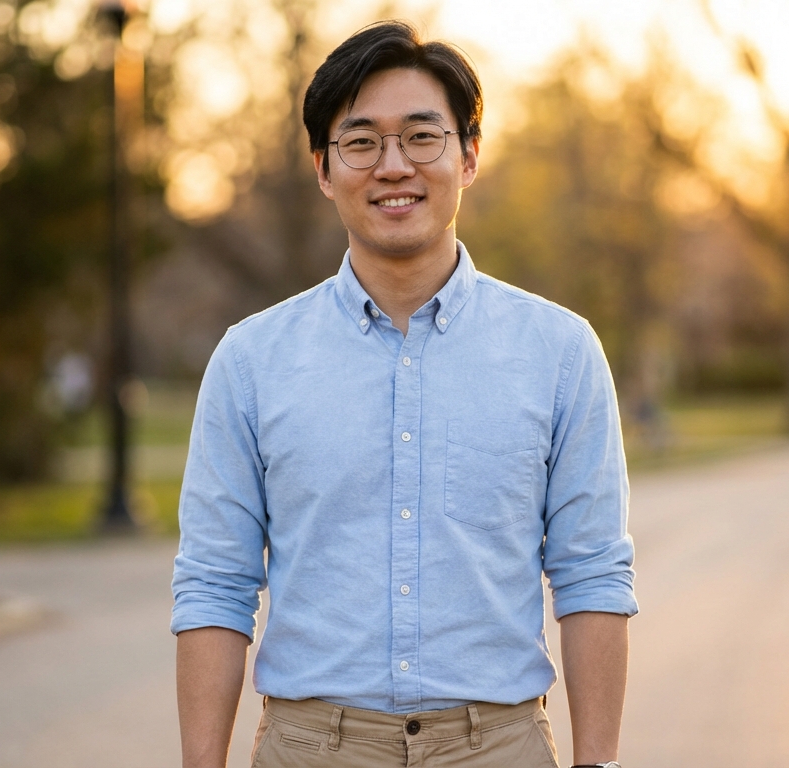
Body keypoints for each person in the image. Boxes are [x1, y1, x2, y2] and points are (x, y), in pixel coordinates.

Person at [171, 20, 637, 768]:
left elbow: (591, 573)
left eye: (423, 137)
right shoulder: (251, 361)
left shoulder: (560, 352)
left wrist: (599, 763)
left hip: (501, 746)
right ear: (324, 168)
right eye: (361, 142)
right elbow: (215, 583)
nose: (393, 166)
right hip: (310, 748)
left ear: (469, 155)